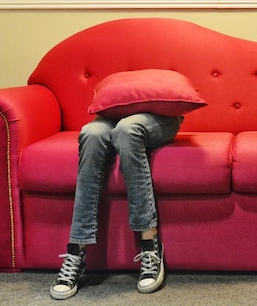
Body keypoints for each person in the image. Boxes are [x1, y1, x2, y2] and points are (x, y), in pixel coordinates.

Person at [50, 113, 182, 300]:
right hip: (115, 113)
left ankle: (150, 246)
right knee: (91, 133)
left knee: (127, 131)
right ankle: (75, 253)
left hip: (156, 114)